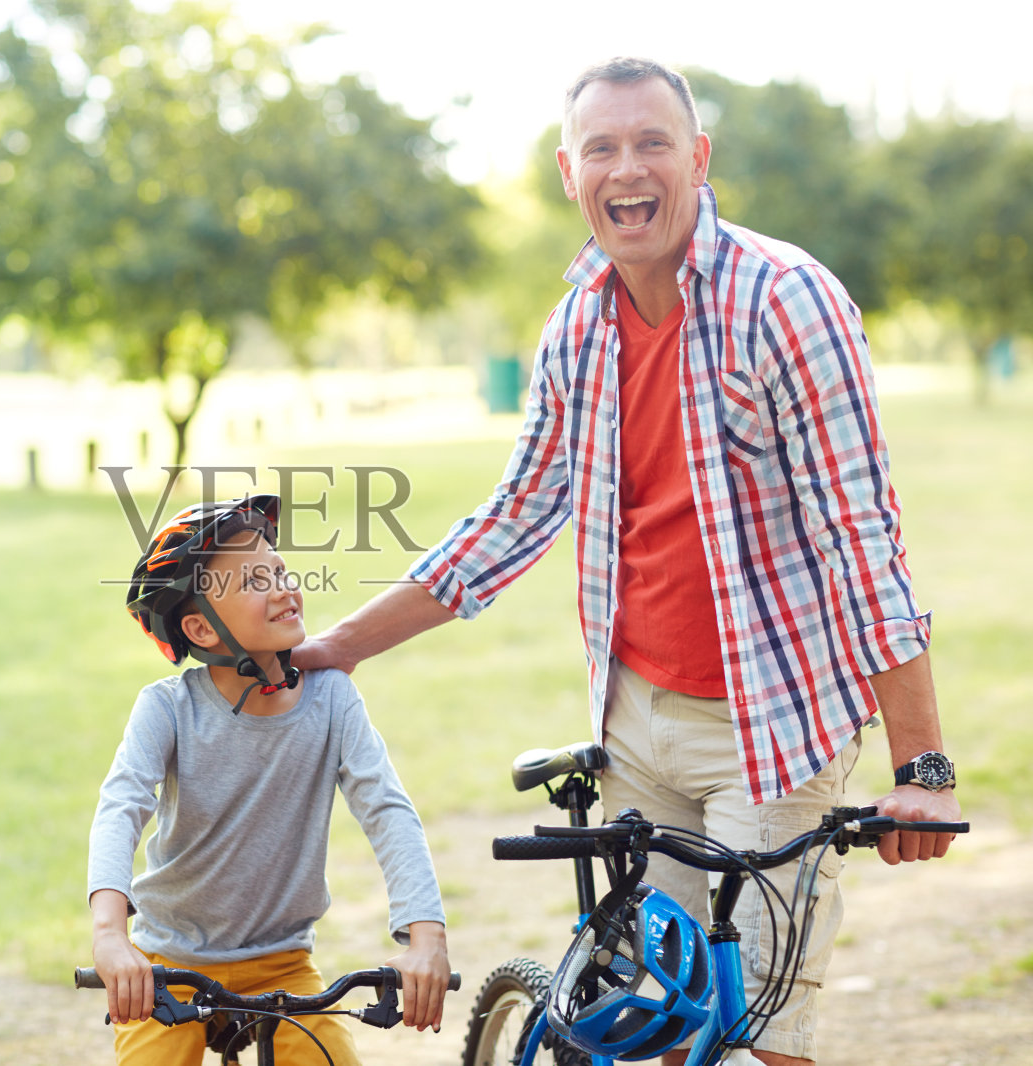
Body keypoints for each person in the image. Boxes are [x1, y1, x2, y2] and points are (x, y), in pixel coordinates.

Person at [294, 58, 961, 1066]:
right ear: (571, 174)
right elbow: (511, 518)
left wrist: (922, 767)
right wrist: (334, 648)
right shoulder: (576, 328)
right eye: (601, 148)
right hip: (634, 726)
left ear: (696, 158)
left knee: (757, 1033)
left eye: (652, 142)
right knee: (654, 1026)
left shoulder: (783, 299)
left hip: (769, 729)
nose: (627, 167)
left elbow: (857, 538)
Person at [87, 494, 451, 1065]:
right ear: (201, 629)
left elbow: (387, 810)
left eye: (278, 571)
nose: (283, 587)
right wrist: (111, 936)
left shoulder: (332, 698)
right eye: (255, 581)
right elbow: (121, 805)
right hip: (170, 963)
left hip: (284, 963)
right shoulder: (167, 708)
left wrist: (425, 937)